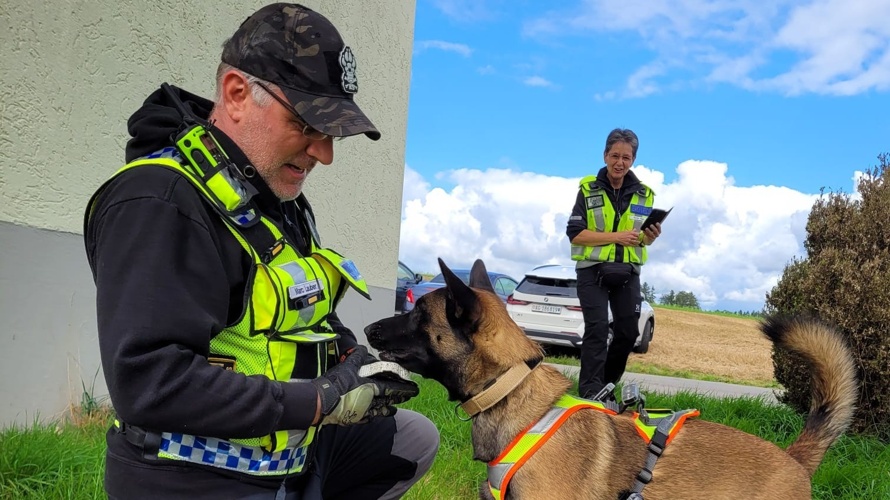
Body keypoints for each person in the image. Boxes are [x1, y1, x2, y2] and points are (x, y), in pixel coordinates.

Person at [83, 4, 439, 499]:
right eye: (307, 124)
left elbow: (301, 314)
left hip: (286, 452)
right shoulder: (161, 201)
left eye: (332, 133)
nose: (325, 154)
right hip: (196, 477)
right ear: (235, 94)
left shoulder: (270, 198)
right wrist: (320, 401)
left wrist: (351, 357)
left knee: (412, 438)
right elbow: (149, 385)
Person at [565, 128, 662, 401]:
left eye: (627, 157)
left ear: (633, 160)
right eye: (615, 155)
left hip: (627, 272)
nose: (620, 162)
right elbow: (576, 234)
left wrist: (649, 237)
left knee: (629, 332)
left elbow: (641, 239)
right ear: (605, 155)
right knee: (596, 330)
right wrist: (615, 237)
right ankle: (589, 392)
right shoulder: (588, 189)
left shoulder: (645, 195)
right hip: (592, 271)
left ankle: (605, 387)